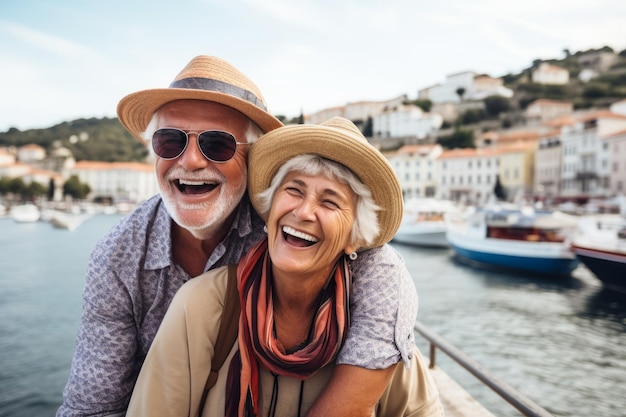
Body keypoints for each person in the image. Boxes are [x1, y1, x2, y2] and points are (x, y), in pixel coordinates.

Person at [58, 56, 419, 416]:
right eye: (170, 141)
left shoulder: (282, 221)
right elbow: (91, 407)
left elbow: (380, 268)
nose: (192, 161)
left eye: (217, 144)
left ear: (251, 157)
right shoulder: (118, 255)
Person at [127, 117, 442, 416]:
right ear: (269, 207)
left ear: (354, 239)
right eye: (293, 190)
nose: (304, 212)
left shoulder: (379, 339)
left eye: (330, 202)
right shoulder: (200, 306)